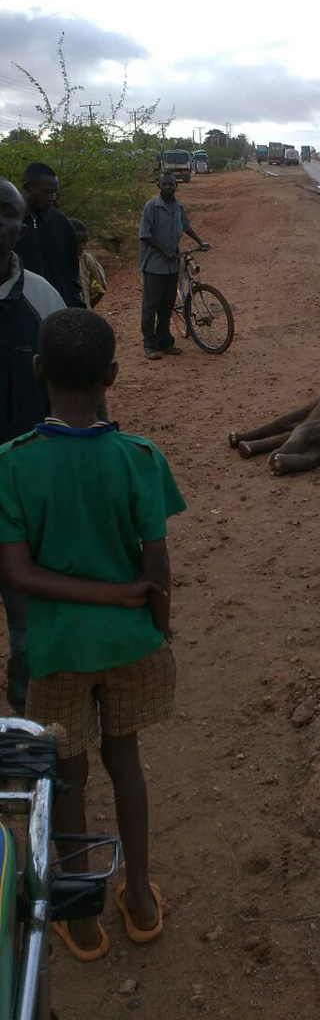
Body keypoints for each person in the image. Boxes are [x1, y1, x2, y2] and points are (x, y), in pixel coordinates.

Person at [0, 309, 186, 960]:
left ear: (38, 372)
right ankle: (138, 898)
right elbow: (156, 567)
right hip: (130, 644)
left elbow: (18, 575)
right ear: (112, 374)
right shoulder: (139, 457)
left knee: (67, 778)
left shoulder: (12, 464)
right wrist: (153, 627)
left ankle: (81, 920)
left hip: (55, 655)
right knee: (125, 761)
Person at [0, 177, 65, 716]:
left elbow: (75, 395)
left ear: (21, 227)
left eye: (7, 214)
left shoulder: (43, 299)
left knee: (26, 629)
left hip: (27, 502)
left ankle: (23, 729)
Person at [139, 172, 209, 360]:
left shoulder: (177, 206)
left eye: (172, 184)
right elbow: (145, 235)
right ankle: (149, 344)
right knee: (151, 306)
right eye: (165, 184)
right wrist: (164, 251)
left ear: (176, 185)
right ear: (159, 185)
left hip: (172, 266)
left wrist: (200, 241)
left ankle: (165, 342)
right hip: (154, 265)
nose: (169, 187)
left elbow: (186, 226)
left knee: (167, 306)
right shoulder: (151, 207)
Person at [16, 162, 83, 308]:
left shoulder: (61, 224)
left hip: (58, 305)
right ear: (27, 188)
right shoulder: (11, 226)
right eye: (46, 192)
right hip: (19, 309)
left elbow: (71, 271)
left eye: (54, 192)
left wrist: (73, 301)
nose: (52, 197)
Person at [70, 218, 107, 309]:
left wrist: (88, 307)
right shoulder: (56, 261)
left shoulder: (86, 259)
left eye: (85, 242)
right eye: (79, 242)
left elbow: (101, 288)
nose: (83, 246)